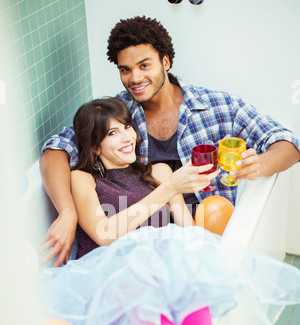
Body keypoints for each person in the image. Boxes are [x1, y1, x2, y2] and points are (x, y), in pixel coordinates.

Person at [40, 97, 300, 325]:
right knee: (143, 258)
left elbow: (188, 234)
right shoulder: (83, 178)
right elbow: (103, 235)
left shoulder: (159, 172)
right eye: (113, 133)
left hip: (158, 283)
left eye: (127, 127)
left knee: (176, 249)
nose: (127, 137)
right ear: (94, 145)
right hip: (112, 285)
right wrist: (170, 190)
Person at [40, 16, 300, 268]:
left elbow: (288, 143)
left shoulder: (218, 106)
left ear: (165, 61)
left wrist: (259, 165)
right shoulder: (118, 114)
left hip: (203, 231)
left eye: (144, 65)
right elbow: (55, 149)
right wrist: (67, 212)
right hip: (138, 240)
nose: (135, 78)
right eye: (125, 69)